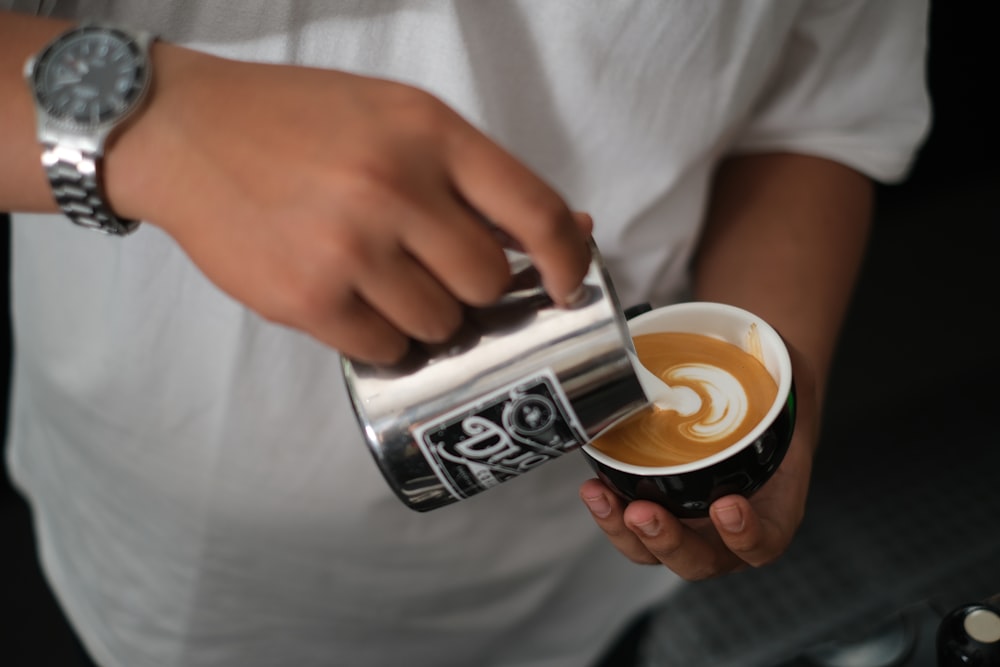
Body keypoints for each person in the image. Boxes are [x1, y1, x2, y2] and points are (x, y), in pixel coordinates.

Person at [0, 2, 930, 666]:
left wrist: (762, 420)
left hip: (573, 558)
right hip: (155, 574)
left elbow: (816, 108)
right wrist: (150, 125)